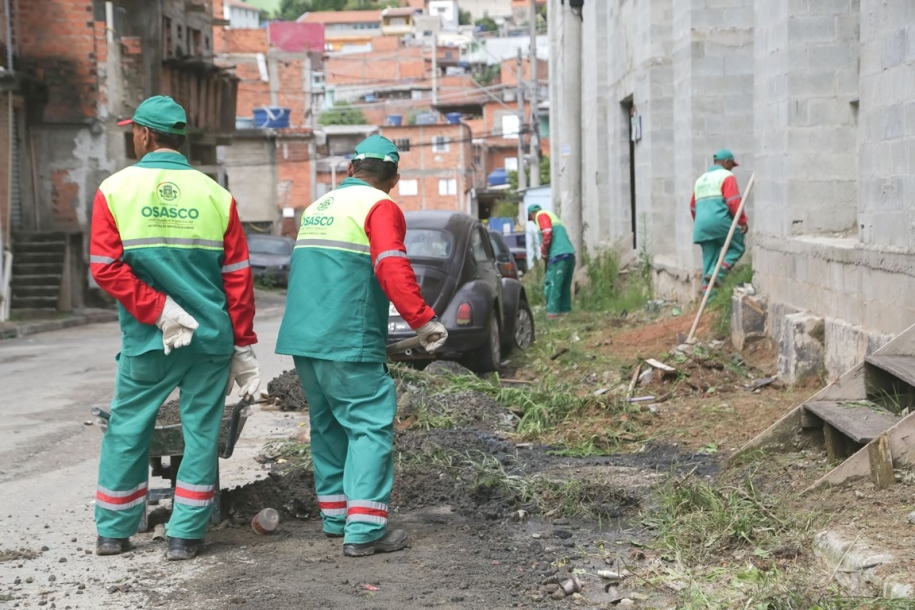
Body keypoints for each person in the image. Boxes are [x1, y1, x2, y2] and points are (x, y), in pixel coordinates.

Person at [89, 96, 261, 561]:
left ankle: (114, 533)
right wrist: (243, 343)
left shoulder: (115, 190)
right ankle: (185, 537)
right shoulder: (216, 195)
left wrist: (157, 309)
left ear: (144, 134)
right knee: (202, 431)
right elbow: (238, 278)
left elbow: (105, 268)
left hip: (150, 338)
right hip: (209, 338)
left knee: (128, 426)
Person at [276, 135, 447, 557]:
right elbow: (391, 265)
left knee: (329, 427)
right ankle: (366, 530)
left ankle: (336, 518)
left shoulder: (318, 207)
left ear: (350, 170)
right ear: (394, 180)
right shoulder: (380, 206)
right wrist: (423, 320)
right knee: (369, 425)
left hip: (305, 340)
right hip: (347, 339)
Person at [690, 149, 748, 297]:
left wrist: (703, 224)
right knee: (738, 246)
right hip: (719, 221)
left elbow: (692, 206)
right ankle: (718, 273)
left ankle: (709, 300)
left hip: (701, 226)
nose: (732, 168)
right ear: (727, 162)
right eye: (731, 165)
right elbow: (733, 201)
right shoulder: (727, 176)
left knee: (709, 262)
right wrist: (742, 221)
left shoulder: (700, 180)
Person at [527, 204, 576, 319]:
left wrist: (544, 251)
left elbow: (547, 232)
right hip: (569, 255)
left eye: (531, 219)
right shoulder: (552, 216)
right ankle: (566, 315)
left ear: (532, 214)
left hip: (558, 256)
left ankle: (552, 317)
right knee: (564, 287)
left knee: (553, 286)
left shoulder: (541, 215)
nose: (533, 221)